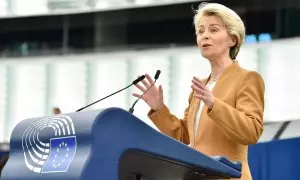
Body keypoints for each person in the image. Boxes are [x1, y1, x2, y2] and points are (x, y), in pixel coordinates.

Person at [132, 3, 264, 180]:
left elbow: (251, 131)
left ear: (233, 39)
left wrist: (214, 104)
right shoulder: (200, 87)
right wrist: (159, 109)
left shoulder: (247, 78)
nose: (205, 36)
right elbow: (184, 136)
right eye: (201, 31)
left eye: (213, 30)